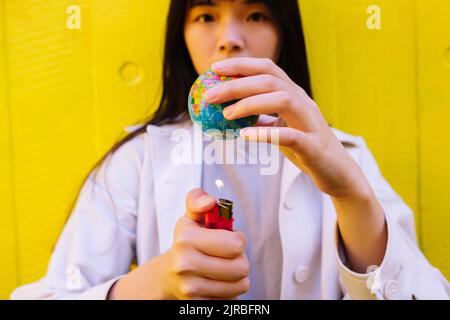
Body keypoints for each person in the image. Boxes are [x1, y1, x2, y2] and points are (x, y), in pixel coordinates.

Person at [11, 0, 450, 300]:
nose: (229, 39)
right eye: (205, 15)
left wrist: (352, 199)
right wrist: (158, 281)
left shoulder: (345, 156)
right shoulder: (137, 160)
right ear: (179, 35)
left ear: (285, 33)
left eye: (256, 13)